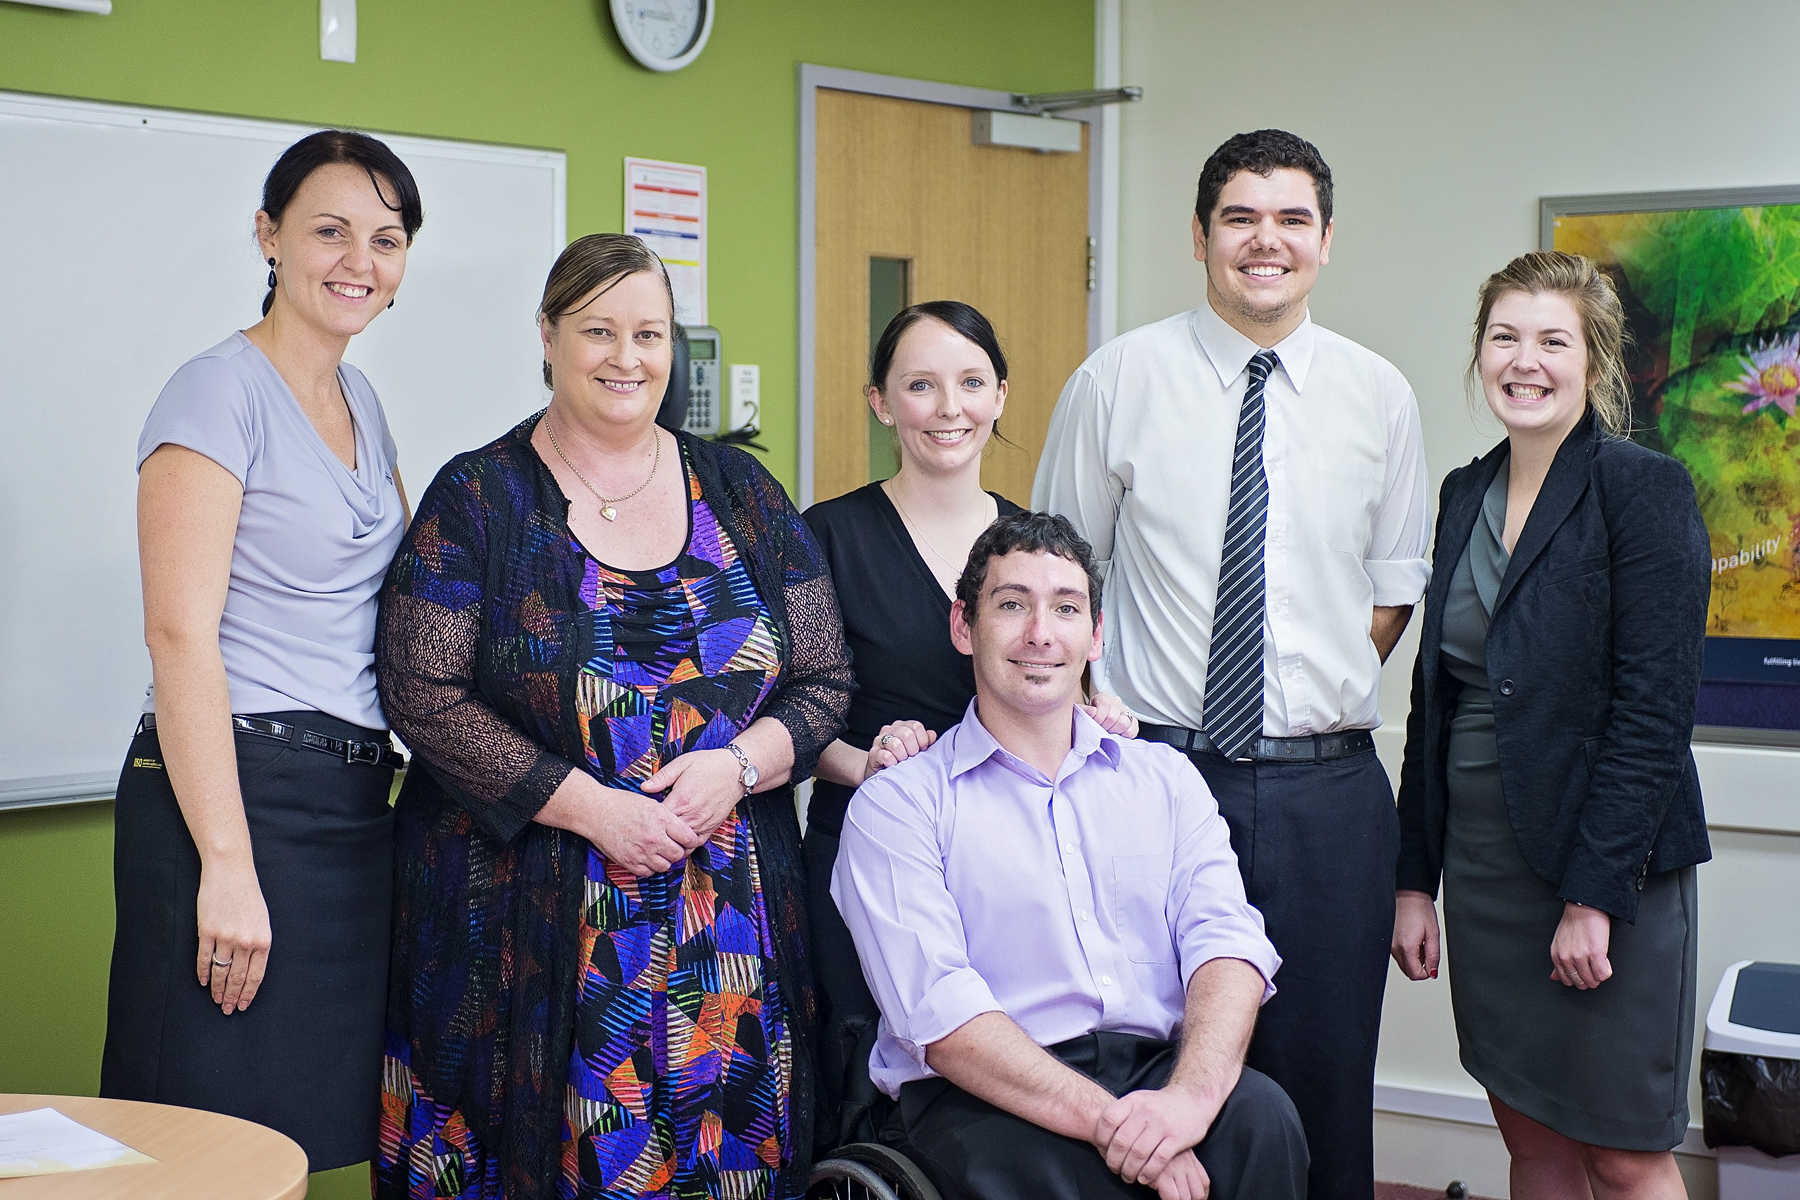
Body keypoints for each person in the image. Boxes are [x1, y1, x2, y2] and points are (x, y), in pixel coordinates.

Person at [372, 233, 854, 1200]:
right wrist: (590, 808)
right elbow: (420, 690)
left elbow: (824, 681)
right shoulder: (481, 496)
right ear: (547, 337)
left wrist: (738, 768)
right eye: (598, 330)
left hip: (728, 930)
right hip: (524, 918)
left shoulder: (743, 493)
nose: (626, 357)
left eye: (648, 333)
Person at [1033, 129, 1430, 1199]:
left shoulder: (1378, 395)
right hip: (1158, 780)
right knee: (1153, 1070)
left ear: (1327, 241)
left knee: (1326, 1081)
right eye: (1242, 217)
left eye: (1293, 218)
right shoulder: (1118, 380)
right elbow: (1050, 579)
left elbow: (1393, 592)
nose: (1268, 241)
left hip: (1330, 795)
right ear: (1201, 236)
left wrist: (1300, 686)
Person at [100, 130, 422, 1171]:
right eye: (329, 230)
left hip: (347, 809)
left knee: (298, 1144)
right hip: (229, 800)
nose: (357, 262)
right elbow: (180, 634)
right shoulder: (215, 392)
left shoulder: (363, 401)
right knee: (202, 1140)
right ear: (268, 235)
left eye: (385, 238)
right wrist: (227, 866)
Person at [833, 511, 1308, 1200]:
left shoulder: (1166, 781)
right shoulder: (899, 805)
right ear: (964, 626)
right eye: (1012, 605)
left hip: (1153, 1071)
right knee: (1060, 1175)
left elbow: (1226, 944)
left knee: (1263, 1120)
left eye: (1064, 607)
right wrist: (1115, 1128)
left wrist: (1191, 1103)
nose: (1039, 633)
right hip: (983, 1095)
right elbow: (940, 1016)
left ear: (1095, 633)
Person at [1390, 251, 1711, 1199]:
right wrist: (1416, 881)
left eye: (1551, 341)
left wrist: (1593, 898)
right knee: (1530, 1144)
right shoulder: (1461, 494)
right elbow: (1430, 703)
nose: (1524, 361)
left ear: (1594, 362)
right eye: (1504, 337)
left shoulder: (1640, 489)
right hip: (1485, 870)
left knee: (1622, 1153)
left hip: (1606, 868)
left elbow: (1655, 712)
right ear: (1480, 354)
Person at [801, 300, 1138, 1148]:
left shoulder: (1033, 546)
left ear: (1000, 397)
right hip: (875, 852)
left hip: (1013, 870)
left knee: (1018, 1085)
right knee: (878, 1094)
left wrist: (1099, 715)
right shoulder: (825, 538)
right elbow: (791, 720)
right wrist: (866, 765)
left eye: (970, 383)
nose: (948, 407)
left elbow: (1060, 680)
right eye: (921, 385)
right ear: (882, 403)